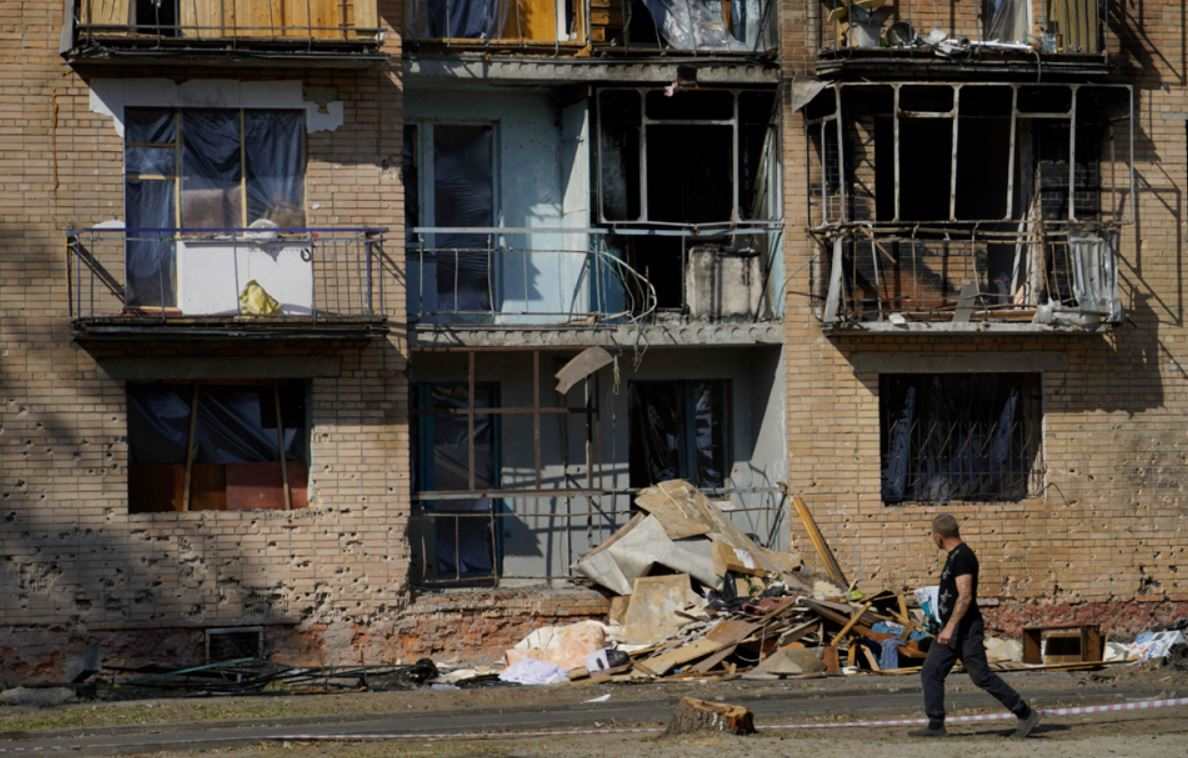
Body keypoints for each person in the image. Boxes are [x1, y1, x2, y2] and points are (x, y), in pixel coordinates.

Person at [909, 513, 1040, 738]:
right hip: (950, 629)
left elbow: (966, 596)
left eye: (933, 536)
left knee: (981, 676)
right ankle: (936, 724)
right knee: (931, 671)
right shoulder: (953, 557)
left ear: (939, 537)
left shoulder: (963, 557)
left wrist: (950, 627)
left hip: (964, 629)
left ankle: (1025, 713)